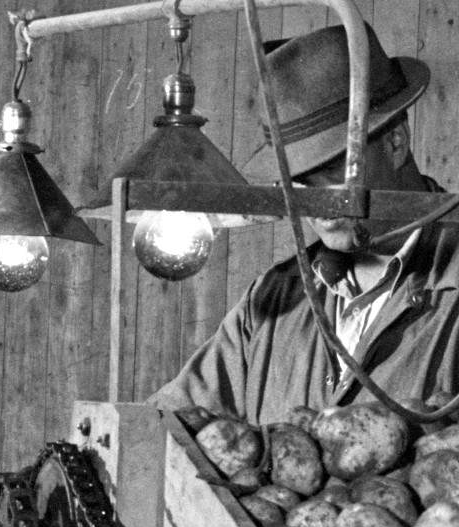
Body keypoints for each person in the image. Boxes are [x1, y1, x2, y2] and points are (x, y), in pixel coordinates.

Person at [151, 23, 459, 425]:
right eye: (296, 181)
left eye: (329, 170)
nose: (314, 202)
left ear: (395, 142)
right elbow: (163, 425)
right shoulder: (272, 300)